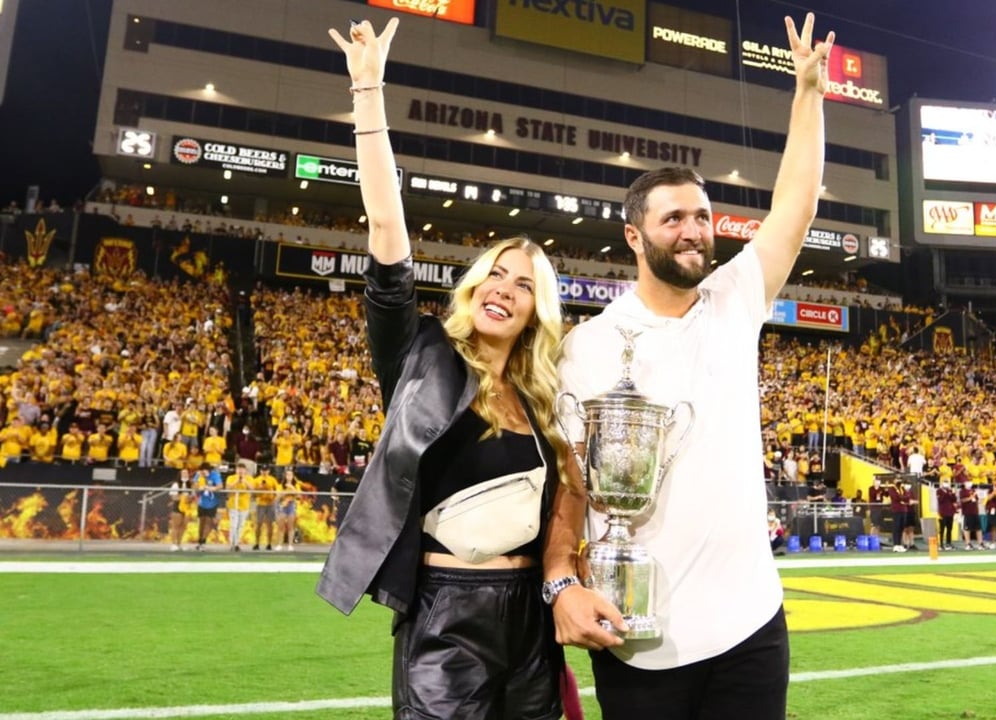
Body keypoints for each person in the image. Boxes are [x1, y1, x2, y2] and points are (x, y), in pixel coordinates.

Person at [542, 14, 833, 719]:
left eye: (701, 216)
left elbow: (794, 204)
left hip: (751, 622)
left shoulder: (734, 298)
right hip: (641, 634)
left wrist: (809, 93)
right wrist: (559, 582)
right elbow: (571, 486)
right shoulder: (589, 346)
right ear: (634, 236)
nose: (694, 230)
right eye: (673, 218)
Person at [316, 17, 570, 720]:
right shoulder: (421, 354)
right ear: (472, 285)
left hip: (532, 621)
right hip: (444, 613)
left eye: (523, 284)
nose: (504, 288)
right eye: (495, 273)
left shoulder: (543, 393)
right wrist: (369, 92)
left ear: (534, 311)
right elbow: (388, 243)